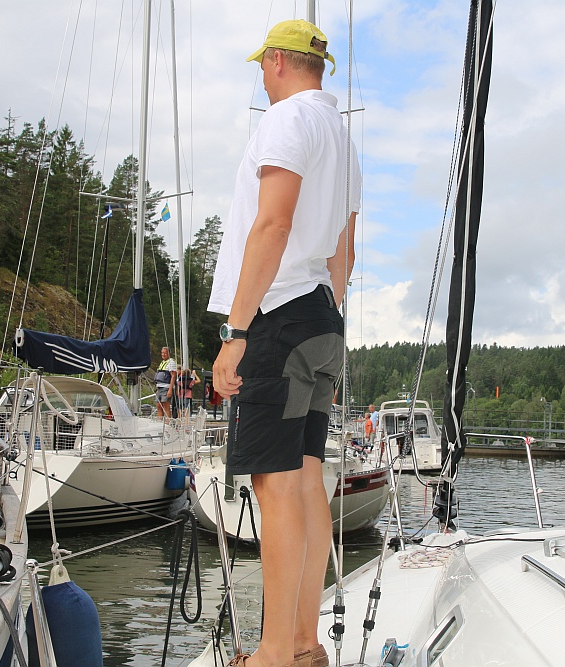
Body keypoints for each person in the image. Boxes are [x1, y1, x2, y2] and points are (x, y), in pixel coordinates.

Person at [209, 19, 361, 667]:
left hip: (278, 315)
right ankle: (303, 641)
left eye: (261, 67)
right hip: (321, 316)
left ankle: (273, 653)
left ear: (276, 60)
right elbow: (344, 250)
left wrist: (237, 331)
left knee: (274, 484)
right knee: (305, 478)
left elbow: (272, 224)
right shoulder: (340, 136)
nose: (262, 78)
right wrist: (326, 310)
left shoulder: (286, 120)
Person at [154, 346, 177, 418]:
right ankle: (160, 421)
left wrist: (170, 389)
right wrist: (157, 389)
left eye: (165, 353)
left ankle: (168, 422)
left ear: (169, 354)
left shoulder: (171, 362)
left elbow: (173, 376)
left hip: (166, 387)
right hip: (159, 387)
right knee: (159, 406)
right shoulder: (162, 363)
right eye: (162, 353)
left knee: (165, 405)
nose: (163, 354)